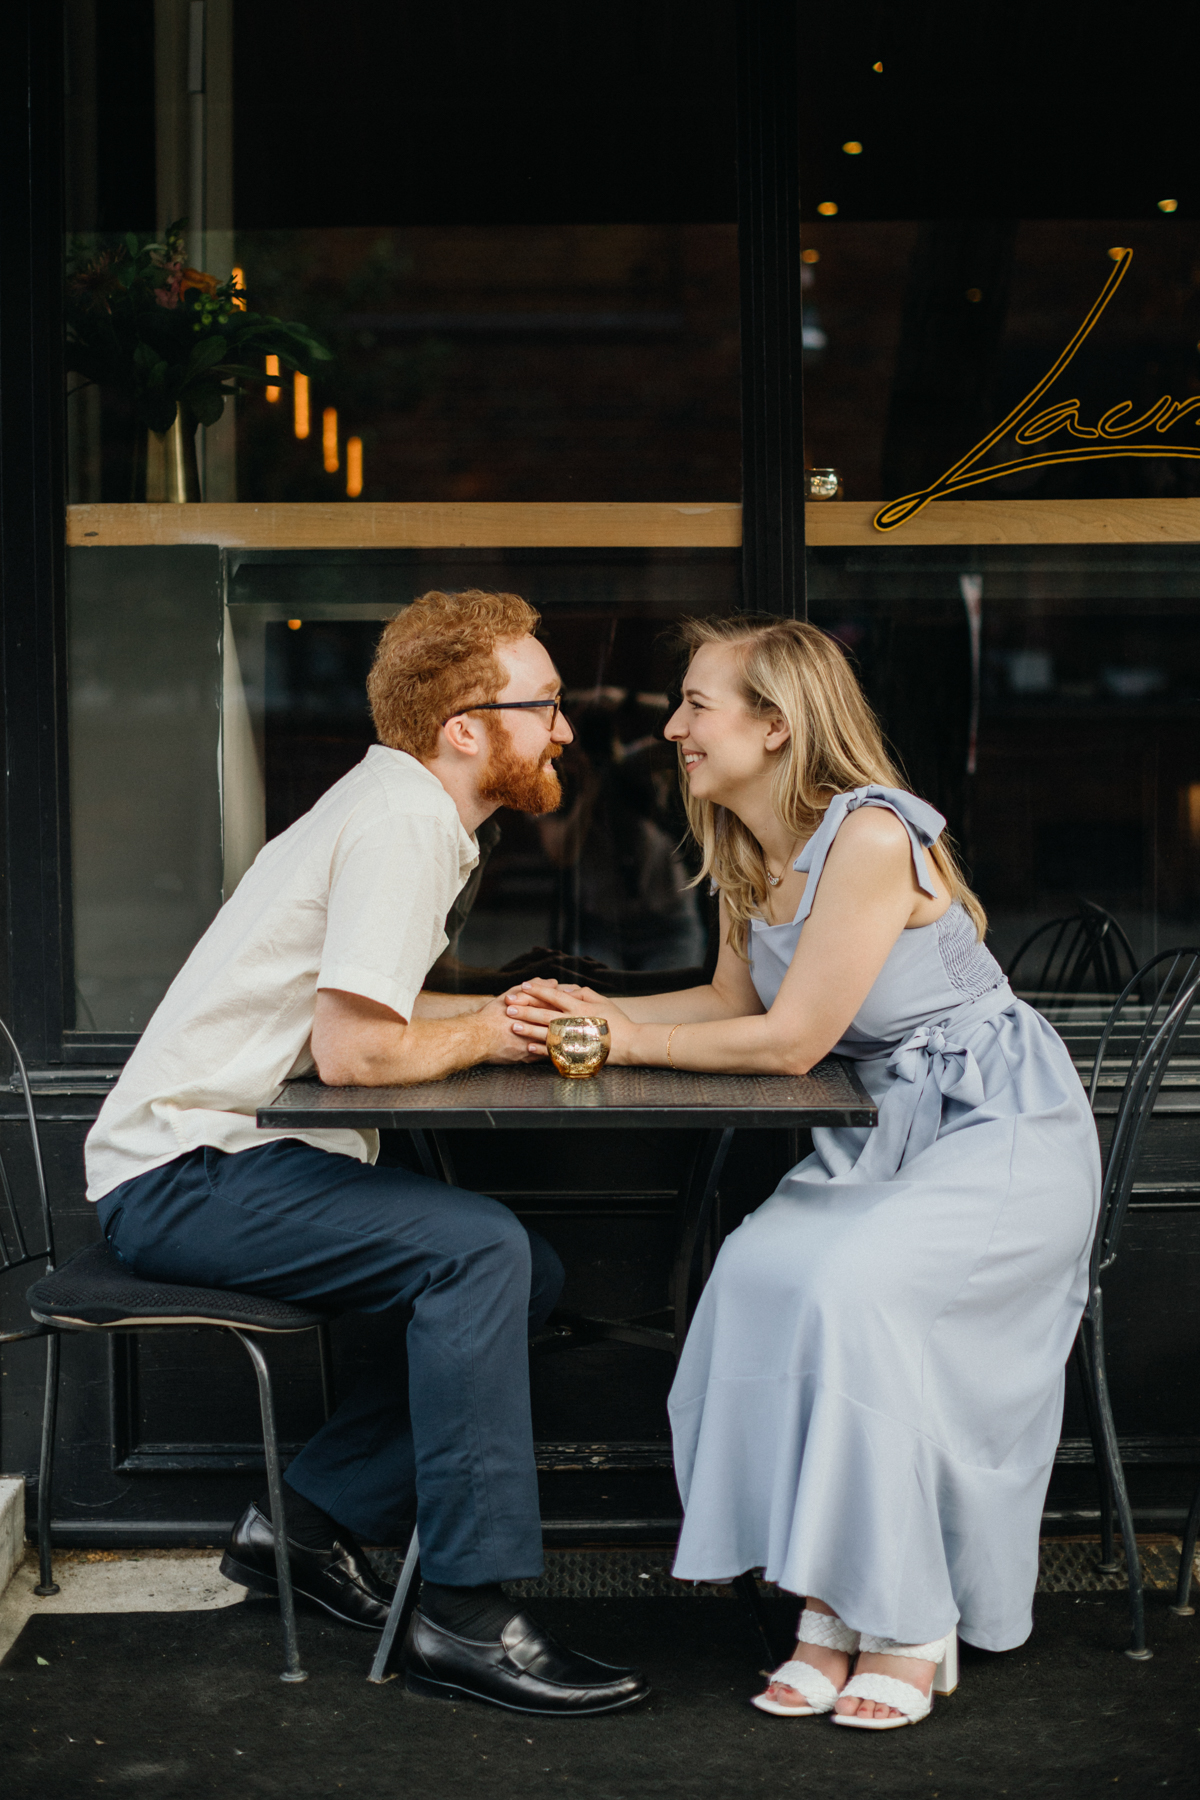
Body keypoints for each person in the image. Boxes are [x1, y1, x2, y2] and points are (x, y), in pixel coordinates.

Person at [506, 612, 1099, 1731]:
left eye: (695, 703)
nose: (672, 726)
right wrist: (600, 1012)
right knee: (756, 1275)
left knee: (850, 1294)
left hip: (997, 1128)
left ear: (775, 727)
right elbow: (735, 1006)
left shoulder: (869, 836)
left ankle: (909, 1616)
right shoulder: (746, 843)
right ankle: (826, 1599)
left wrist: (617, 1043)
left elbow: (789, 1044)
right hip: (884, 1134)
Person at [83, 587, 648, 1718]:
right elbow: (354, 1055)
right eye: (546, 705)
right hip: (188, 1171)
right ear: (467, 728)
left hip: (217, 1157)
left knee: (517, 1268)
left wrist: (497, 1012)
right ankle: (466, 1615)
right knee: (480, 1253)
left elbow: (365, 1003)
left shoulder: (396, 807)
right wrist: (491, 1030)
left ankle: (299, 1531)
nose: (567, 729)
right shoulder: (404, 822)